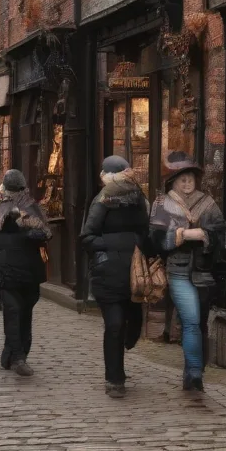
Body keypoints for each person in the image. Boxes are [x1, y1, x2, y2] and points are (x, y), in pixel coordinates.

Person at [149, 152, 226, 392]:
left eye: (190, 178)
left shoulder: (208, 202)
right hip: (179, 270)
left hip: (204, 271)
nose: (187, 183)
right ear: (173, 181)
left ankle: (192, 370)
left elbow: (221, 233)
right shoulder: (162, 204)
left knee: (199, 323)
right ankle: (194, 374)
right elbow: (155, 240)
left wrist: (206, 235)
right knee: (192, 321)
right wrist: (182, 235)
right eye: (182, 179)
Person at [81, 155, 150, 398]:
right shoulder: (102, 200)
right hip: (108, 271)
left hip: (134, 272)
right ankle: (115, 379)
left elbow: (146, 232)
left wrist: (138, 247)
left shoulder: (139, 199)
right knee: (114, 325)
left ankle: (118, 368)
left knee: (128, 323)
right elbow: (87, 237)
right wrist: (117, 245)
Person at [0, 170, 51, 376]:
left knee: (17, 312)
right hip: (15, 268)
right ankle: (19, 357)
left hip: (20, 269)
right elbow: (45, 233)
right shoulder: (14, 207)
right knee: (18, 313)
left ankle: (10, 355)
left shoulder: (4, 208)